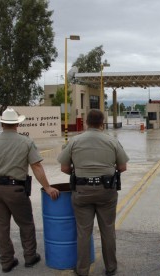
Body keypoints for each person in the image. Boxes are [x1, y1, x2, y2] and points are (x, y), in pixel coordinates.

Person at [0, 107, 60, 273]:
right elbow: (36, 165)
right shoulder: (26, 142)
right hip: (16, 190)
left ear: (1, 124)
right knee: (26, 224)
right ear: (17, 125)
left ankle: (6, 262)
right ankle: (29, 257)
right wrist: (47, 187)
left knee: (1, 227)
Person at [57, 109, 129, 276]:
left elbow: (64, 167)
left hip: (82, 192)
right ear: (102, 123)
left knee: (83, 232)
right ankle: (111, 267)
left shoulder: (74, 141)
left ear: (87, 122)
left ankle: (82, 270)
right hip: (106, 191)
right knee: (108, 230)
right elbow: (123, 167)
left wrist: (80, 174)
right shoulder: (112, 141)